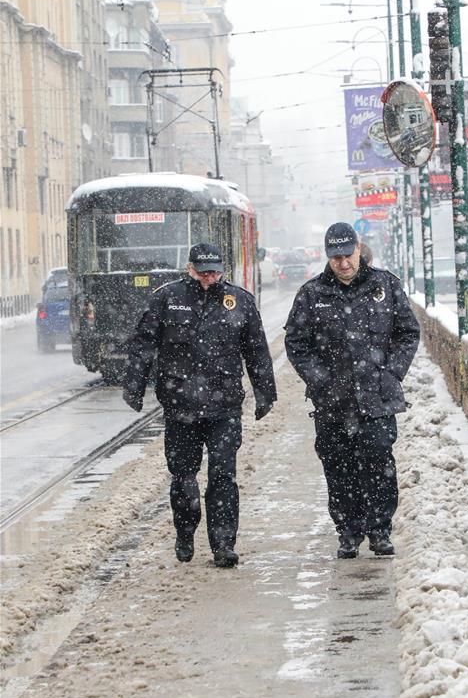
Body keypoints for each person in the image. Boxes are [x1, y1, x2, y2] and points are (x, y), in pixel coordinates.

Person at [122, 243, 277, 567]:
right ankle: (185, 532)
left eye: (215, 272)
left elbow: (257, 351)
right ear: (190, 269)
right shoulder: (167, 299)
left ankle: (223, 544)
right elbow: (144, 345)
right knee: (183, 479)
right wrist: (134, 386)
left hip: (225, 407)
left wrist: (265, 393)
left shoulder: (239, 301)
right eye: (203, 272)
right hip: (180, 407)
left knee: (223, 477)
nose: (209, 278)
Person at [284, 222, 420, 560]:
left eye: (348, 255)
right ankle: (348, 531)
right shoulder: (312, 294)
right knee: (338, 467)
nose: (343, 263)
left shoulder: (385, 286)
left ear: (359, 249)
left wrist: (391, 373)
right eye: (336, 258)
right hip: (332, 402)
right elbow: (296, 343)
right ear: (327, 257)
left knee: (379, 463)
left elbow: (407, 332)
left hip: (377, 398)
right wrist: (320, 379)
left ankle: (379, 530)